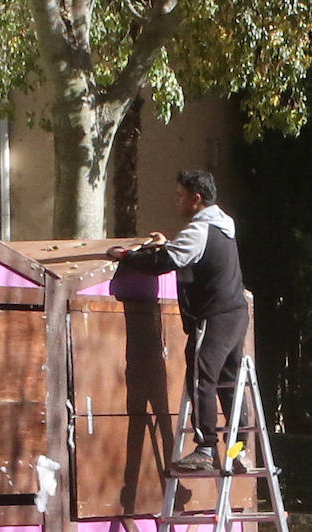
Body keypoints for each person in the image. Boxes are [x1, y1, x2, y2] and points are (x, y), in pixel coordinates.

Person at [106, 169, 248, 472]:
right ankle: (239, 452)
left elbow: (164, 263)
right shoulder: (223, 226)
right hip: (236, 315)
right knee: (229, 382)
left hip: (215, 315)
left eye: (180, 196)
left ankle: (206, 447)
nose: (176, 201)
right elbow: (191, 254)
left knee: (200, 375)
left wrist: (126, 257)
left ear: (196, 199)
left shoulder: (199, 230)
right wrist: (168, 242)